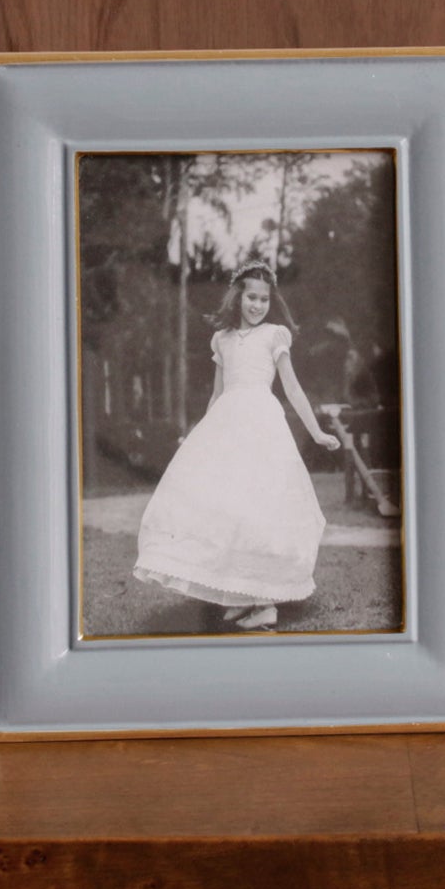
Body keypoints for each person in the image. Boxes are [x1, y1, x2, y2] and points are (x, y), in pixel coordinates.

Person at [133, 260, 341, 631]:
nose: (257, 305)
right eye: (251, 297)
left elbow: (292, 388)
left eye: (264, 299)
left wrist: (316, 432)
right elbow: (217, 394)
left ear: (271, 302)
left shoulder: (275, 335)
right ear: (238, 297)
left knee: (260, 504)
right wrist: (200, 437)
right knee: (228, 508)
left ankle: (266, 604)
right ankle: (239, 594)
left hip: (261, 423)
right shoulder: (223, 339)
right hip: (227, 423)